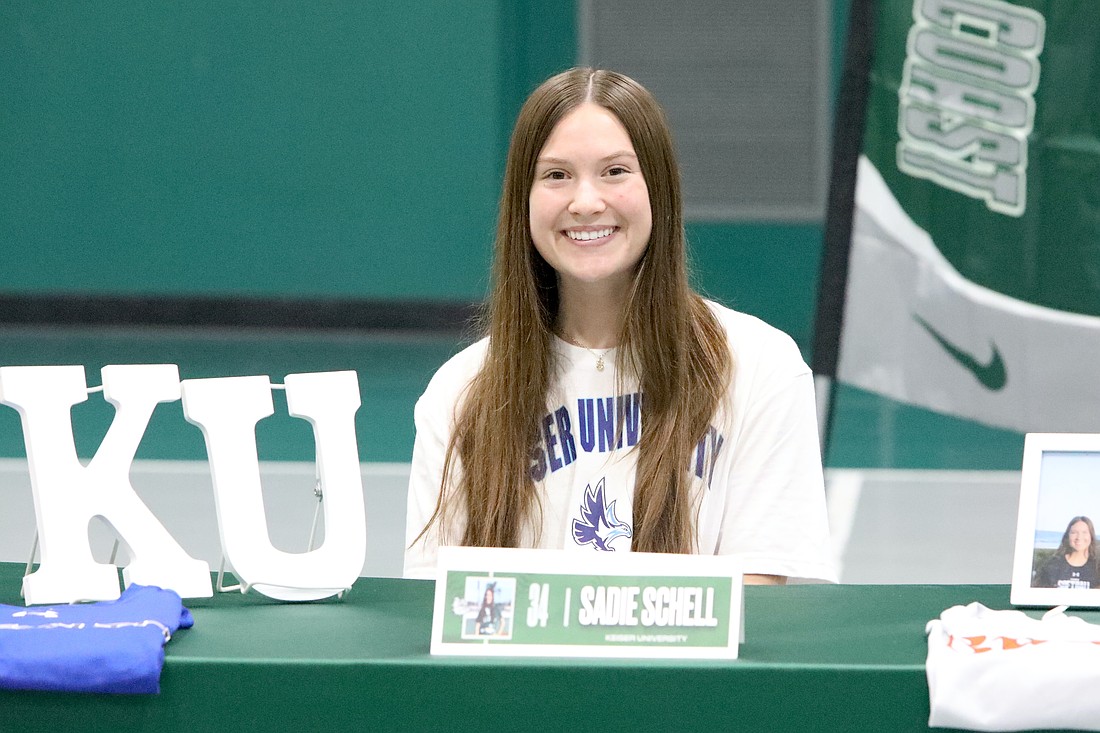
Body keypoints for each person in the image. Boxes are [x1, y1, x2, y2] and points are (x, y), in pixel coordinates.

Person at [404, 67, 835, 585]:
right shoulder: (461, 392)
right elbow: (438, 600)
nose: (586, 202)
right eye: (556, 175)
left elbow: (758, 595)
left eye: (615, 171)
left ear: (659, 189)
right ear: (523, 199)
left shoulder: (760, 367)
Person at [1034, 516, 1099, 589]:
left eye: (1084, 532)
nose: (1079, 537)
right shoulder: (1052, 565)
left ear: (1091, 536)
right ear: (1068, 536)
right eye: (1074, 533)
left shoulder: (1097, 568)